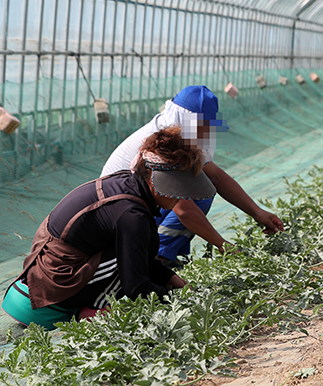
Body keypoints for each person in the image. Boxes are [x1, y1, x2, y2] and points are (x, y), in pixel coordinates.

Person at [2, 126, 215, 330]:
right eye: (177, 186)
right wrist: (182, 301)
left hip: (34, 284)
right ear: (154, 178)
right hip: (43, 300)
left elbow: (141, 259)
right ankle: (94, 312)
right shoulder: (132, 215)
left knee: (134, 253)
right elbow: (136, 286)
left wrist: (171, 278)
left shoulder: (126, 183)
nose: (182, 195)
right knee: (129, 262)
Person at [100, 85, 283, 266]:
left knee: (202, 193)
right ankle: (154, 258)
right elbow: (184, 209)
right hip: (118, 213)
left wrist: (258, 213)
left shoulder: (180, 133)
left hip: (140, 202)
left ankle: (164, 254)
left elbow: (217, 177)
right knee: (191, 197)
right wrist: (223, 245)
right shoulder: (162, 143)